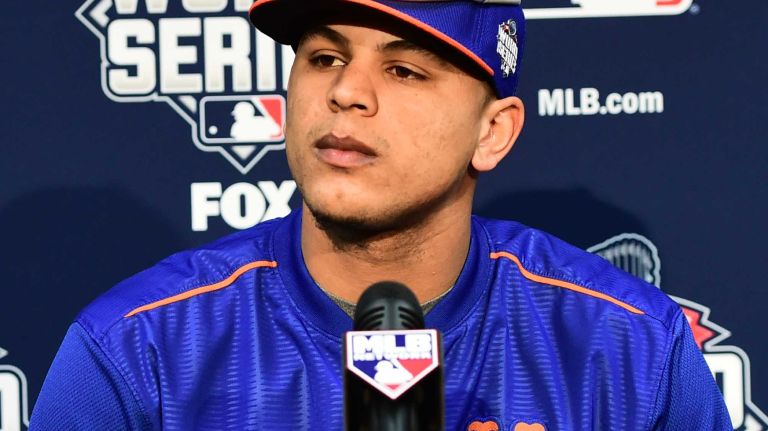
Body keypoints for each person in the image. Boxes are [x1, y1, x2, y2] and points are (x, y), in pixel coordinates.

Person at [30, 0, 732, 430]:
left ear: (494, 131)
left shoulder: (629, 349)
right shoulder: (136, 351)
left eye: (404, 70)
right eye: (325, 55)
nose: (346, 91)